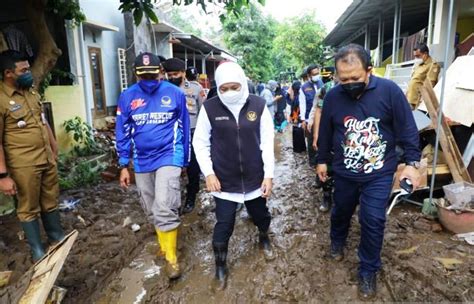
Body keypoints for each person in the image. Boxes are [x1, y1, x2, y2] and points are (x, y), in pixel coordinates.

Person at [316, 44, 421, 299]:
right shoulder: (332, 96)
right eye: (344, 79)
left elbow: (407, 129)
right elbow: (327, 132)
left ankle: (368, 269)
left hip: (379, 172)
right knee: (341, 211)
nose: (349, 83)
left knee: (373, 220)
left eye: (355, 78)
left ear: (369, 71)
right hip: (344, 172)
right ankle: (337, 240)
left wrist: (412, 164)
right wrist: (321, 161)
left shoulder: (389, 92)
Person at [193, 61, 275, 290]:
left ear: (242, 84)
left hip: (254, 177)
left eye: (234, 87)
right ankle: (220, 266)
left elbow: (267, 142)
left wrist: (268, 174)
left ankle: (264, 236)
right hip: (224, 180)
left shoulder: (258, 105)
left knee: (261, 215)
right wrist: (208, 173)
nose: (229, 92)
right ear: (217, 87)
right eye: (224, 88)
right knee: (224, 223)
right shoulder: (210, 109)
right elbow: (199, 143)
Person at [116, 52, 190, 279]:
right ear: (136, 75)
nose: (149, 80)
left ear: (161, 72)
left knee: (164, 204)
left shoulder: (175, 93)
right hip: (141, 159)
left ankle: (171, 258)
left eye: (153, 74)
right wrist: (123, 164)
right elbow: (122, 130)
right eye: (143, 75)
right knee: (150, 207)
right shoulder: (127, 97)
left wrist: (184, 160)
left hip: (169, 155)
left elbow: (184, 127)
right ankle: (164, 244)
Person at [0, 50, 64, 262]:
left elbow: (42, 121)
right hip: (23, 165)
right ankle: (37, 250)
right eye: (24, 70)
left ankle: (57, 238)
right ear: (9, 73)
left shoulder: (31, 92)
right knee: (28, 208)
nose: (28, 72)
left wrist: (54, 150)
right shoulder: (1, 100)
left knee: (50, 201)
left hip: (46, 159)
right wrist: (3, 176)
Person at [162, 59, 205, 214]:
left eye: (176, 74)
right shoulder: (163, 90)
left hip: (192, 133)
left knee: (192, 167)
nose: (172, 77)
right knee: (171, 167)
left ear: (183, 73)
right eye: (169, 74)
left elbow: (203, 111)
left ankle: (191, 196)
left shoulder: (195, 88)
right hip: (170, 134)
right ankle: (172, 199)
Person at [311, 66, 336, 212]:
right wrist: (316, 136)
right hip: (329, 135)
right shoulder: (327, 89)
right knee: (327, 166)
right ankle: (327, 197)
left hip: (350, 137)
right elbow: (318, 112)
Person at [299, 64, 323, 166]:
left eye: (318, 73)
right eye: (314, 74)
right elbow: (302, 104)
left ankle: (322, 159)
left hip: (322, 117)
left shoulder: (322, 83)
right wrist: (303, 120)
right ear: (309, 75)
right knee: (311, 140)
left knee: (322, 139)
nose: (316, 76)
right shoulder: (304, 88)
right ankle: (313, 162)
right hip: (309, 119)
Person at [406, 43, 440, 109]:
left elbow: (430, 84)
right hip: (410, 99)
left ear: (425, 54)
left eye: (418, 56)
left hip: (418, 102)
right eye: (415, 56)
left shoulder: (433, 65)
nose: (416, 58)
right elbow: (414, 81)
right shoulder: (419, 65)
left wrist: (422, 101)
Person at [286, 80, 306, 153]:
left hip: (297, 117)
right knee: (300, 133)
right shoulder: (298, 95)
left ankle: (298, 149)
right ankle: (302, 148)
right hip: (298, 117)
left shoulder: (297, 97)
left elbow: (296, 108)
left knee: (297, 133)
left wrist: (295, 118)